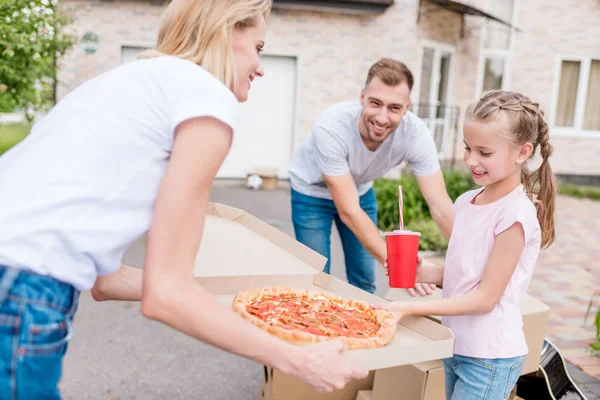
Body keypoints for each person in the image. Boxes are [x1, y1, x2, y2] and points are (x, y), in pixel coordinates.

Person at [0, 1, 367, 397]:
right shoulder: (207, 97)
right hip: (21, 286)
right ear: (225, 30)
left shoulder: (134, 81)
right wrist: (298, 360)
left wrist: (227, 290)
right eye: (259, 47)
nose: (261, 67)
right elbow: (166, 294)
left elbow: (105, 281)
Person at [377, 90, 557, 400]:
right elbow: (468, 272)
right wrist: (426, 273)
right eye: (467, 148)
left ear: (522, 151)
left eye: (484, 152)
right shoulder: (466, 202)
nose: (471, 160)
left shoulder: (514, 216)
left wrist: (408, 308)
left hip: (489, 357)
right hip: (457, 343)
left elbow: (486, 298)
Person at [288, 58, 454, 296]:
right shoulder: (331, 127)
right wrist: (405, 267)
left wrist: (470, 262)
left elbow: (440, 205)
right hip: (311, 194)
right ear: (362, 97)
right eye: (375, 103)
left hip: (360, 191)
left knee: (364, 279)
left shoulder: (416, 134)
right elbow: (349, 211)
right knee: (316, 278)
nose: (382, 117)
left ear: (407, 107)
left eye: (394, 108)